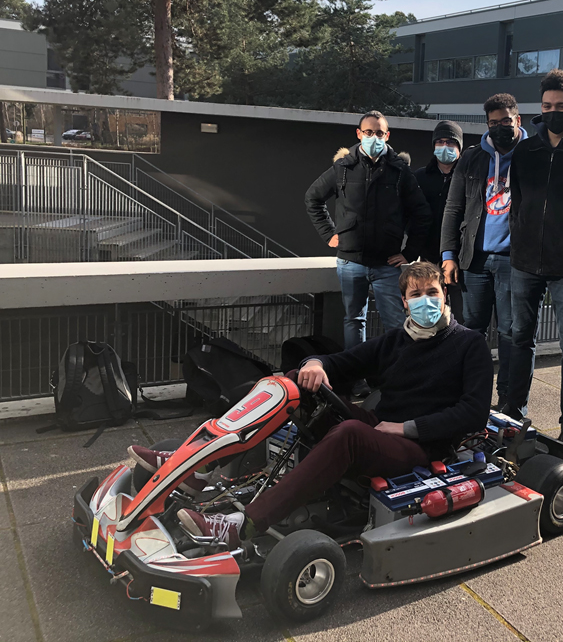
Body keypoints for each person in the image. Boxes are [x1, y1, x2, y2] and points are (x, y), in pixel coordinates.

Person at [127, 262, 493, 546]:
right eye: (416, 295)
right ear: (403, 302)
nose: (425, 300)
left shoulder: (468, 344)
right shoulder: (396, 340)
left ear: (445, 294)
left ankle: (242, 525)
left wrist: (405, 428)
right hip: (381, 427)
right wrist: (314, 364)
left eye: (432, 292)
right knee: (289, 385)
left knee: (349, 432)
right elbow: (340, 362)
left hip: (422, 446)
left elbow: (474, 412)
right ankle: (199, 467)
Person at [507, 70, 563, 443]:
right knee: (519, 338)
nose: (553, 112)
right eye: (546, 106)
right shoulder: (525, 151)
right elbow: (517, 202)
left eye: (560, 106)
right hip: (524, 262)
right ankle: (514, 412)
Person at [305, 110, 432, 350]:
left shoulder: (400, 170)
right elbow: (313, 198)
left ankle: (396, 377)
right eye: (369, 132)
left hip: (387, 265)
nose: (374, 137)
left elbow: (422, 213)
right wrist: (328, 234)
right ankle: (357, 378)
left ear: (387, 135)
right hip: (351, 263)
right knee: (354, 320)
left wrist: (409, 252)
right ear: (359, 133)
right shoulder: (343, 167)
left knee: (395, 323)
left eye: (379, 133)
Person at [440, 94, 527, 411]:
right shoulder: (472, 158)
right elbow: (453, 209)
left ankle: (509, 402)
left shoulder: (532, 155)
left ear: (517, 120)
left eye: (506, 120)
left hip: (514, 263)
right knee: (472, 331)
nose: (501, 127)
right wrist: (448, 255)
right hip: (474, 261)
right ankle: (471, 395)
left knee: (511, 334)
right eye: (494, 123)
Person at [414, 120, 463, 266]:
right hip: (427, 255)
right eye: (440, 142)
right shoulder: (420, 177)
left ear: (459, 147)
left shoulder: (468, 177)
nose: (445, 146)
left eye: (450, 142)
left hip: (460, 256)